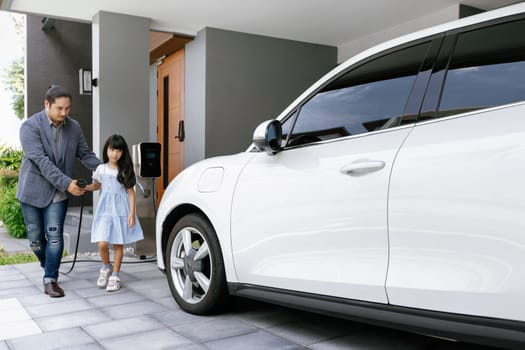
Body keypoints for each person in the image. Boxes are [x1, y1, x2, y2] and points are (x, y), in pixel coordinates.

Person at [17, 85, 101, 298]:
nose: (64, 113)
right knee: (36, 240)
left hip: (58, 193)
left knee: (54, 236)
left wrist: (106, 171)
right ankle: (48, 266)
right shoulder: (29, 127)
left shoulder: (74, 127)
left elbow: (85, 154)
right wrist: (67, 183)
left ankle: (50, 279)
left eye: (67, 108)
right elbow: (41, 162)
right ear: (47, 104)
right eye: (59, 108)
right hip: (33, 191)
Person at [86, 134, 144, 292]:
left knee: (118, 244)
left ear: (123, 152)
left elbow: (131, 193)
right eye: (112, 149)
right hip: (105, 210)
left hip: (121, 210)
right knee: (102, 242)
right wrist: (84, 187)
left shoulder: (125, 171)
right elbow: (96, 186)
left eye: (118, 150)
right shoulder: (101, 169)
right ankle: (106, 267)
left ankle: (115, 275)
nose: (114, 154)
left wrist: (132, 213)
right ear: (107, 150)